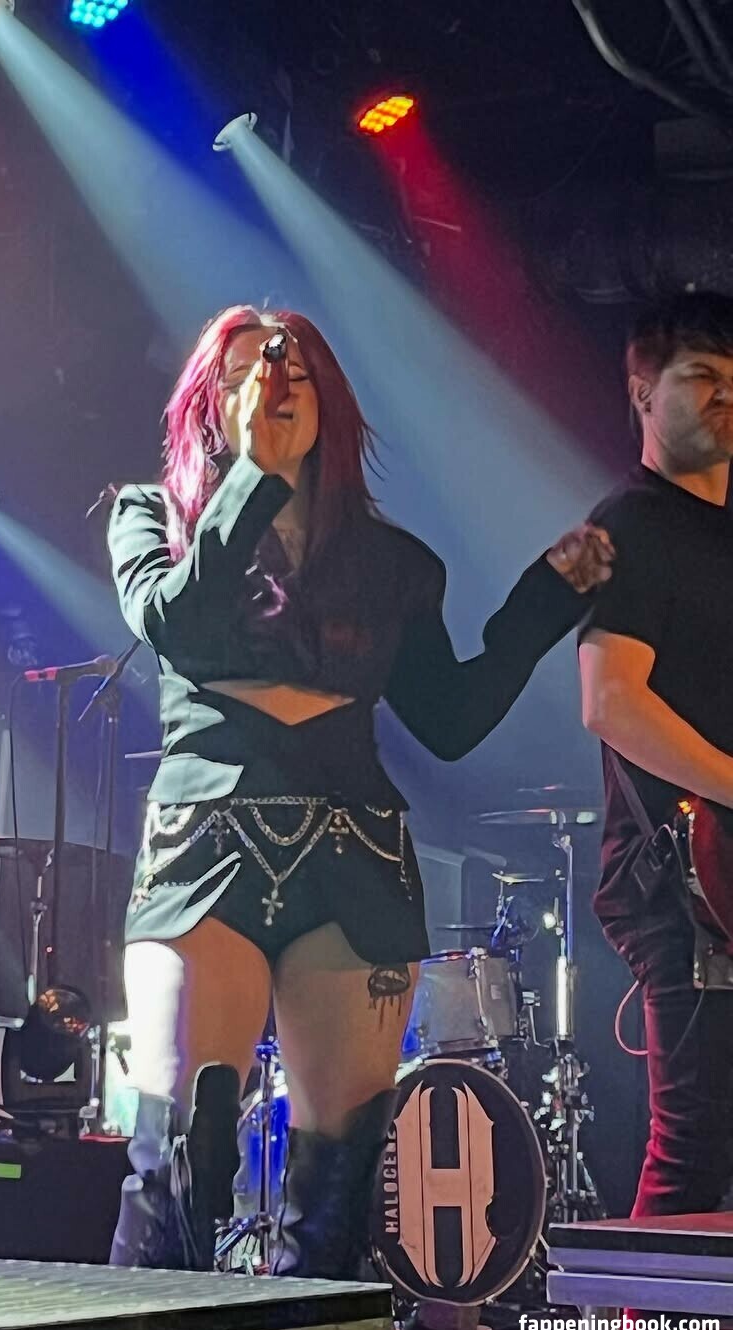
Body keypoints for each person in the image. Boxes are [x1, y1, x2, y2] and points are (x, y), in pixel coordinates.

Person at [107, 304, 614, 1279]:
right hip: (207, 848)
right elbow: (181, 627)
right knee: (182, 1148)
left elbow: (449, 718)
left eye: (290, 373)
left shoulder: (392, 564)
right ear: (208, 406)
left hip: (354, 858)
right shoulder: (151, 521)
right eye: (244, 375)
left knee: (338, 1188)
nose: (269, 387)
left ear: (329, 403)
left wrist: (544, 602)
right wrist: (254, 476)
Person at [578, 292, 733, 1330]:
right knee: (692, 1151)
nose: (726, 398)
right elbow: (611, 702)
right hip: (684, 890)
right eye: (701, 378)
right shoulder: (629, 527)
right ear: (643, 392)